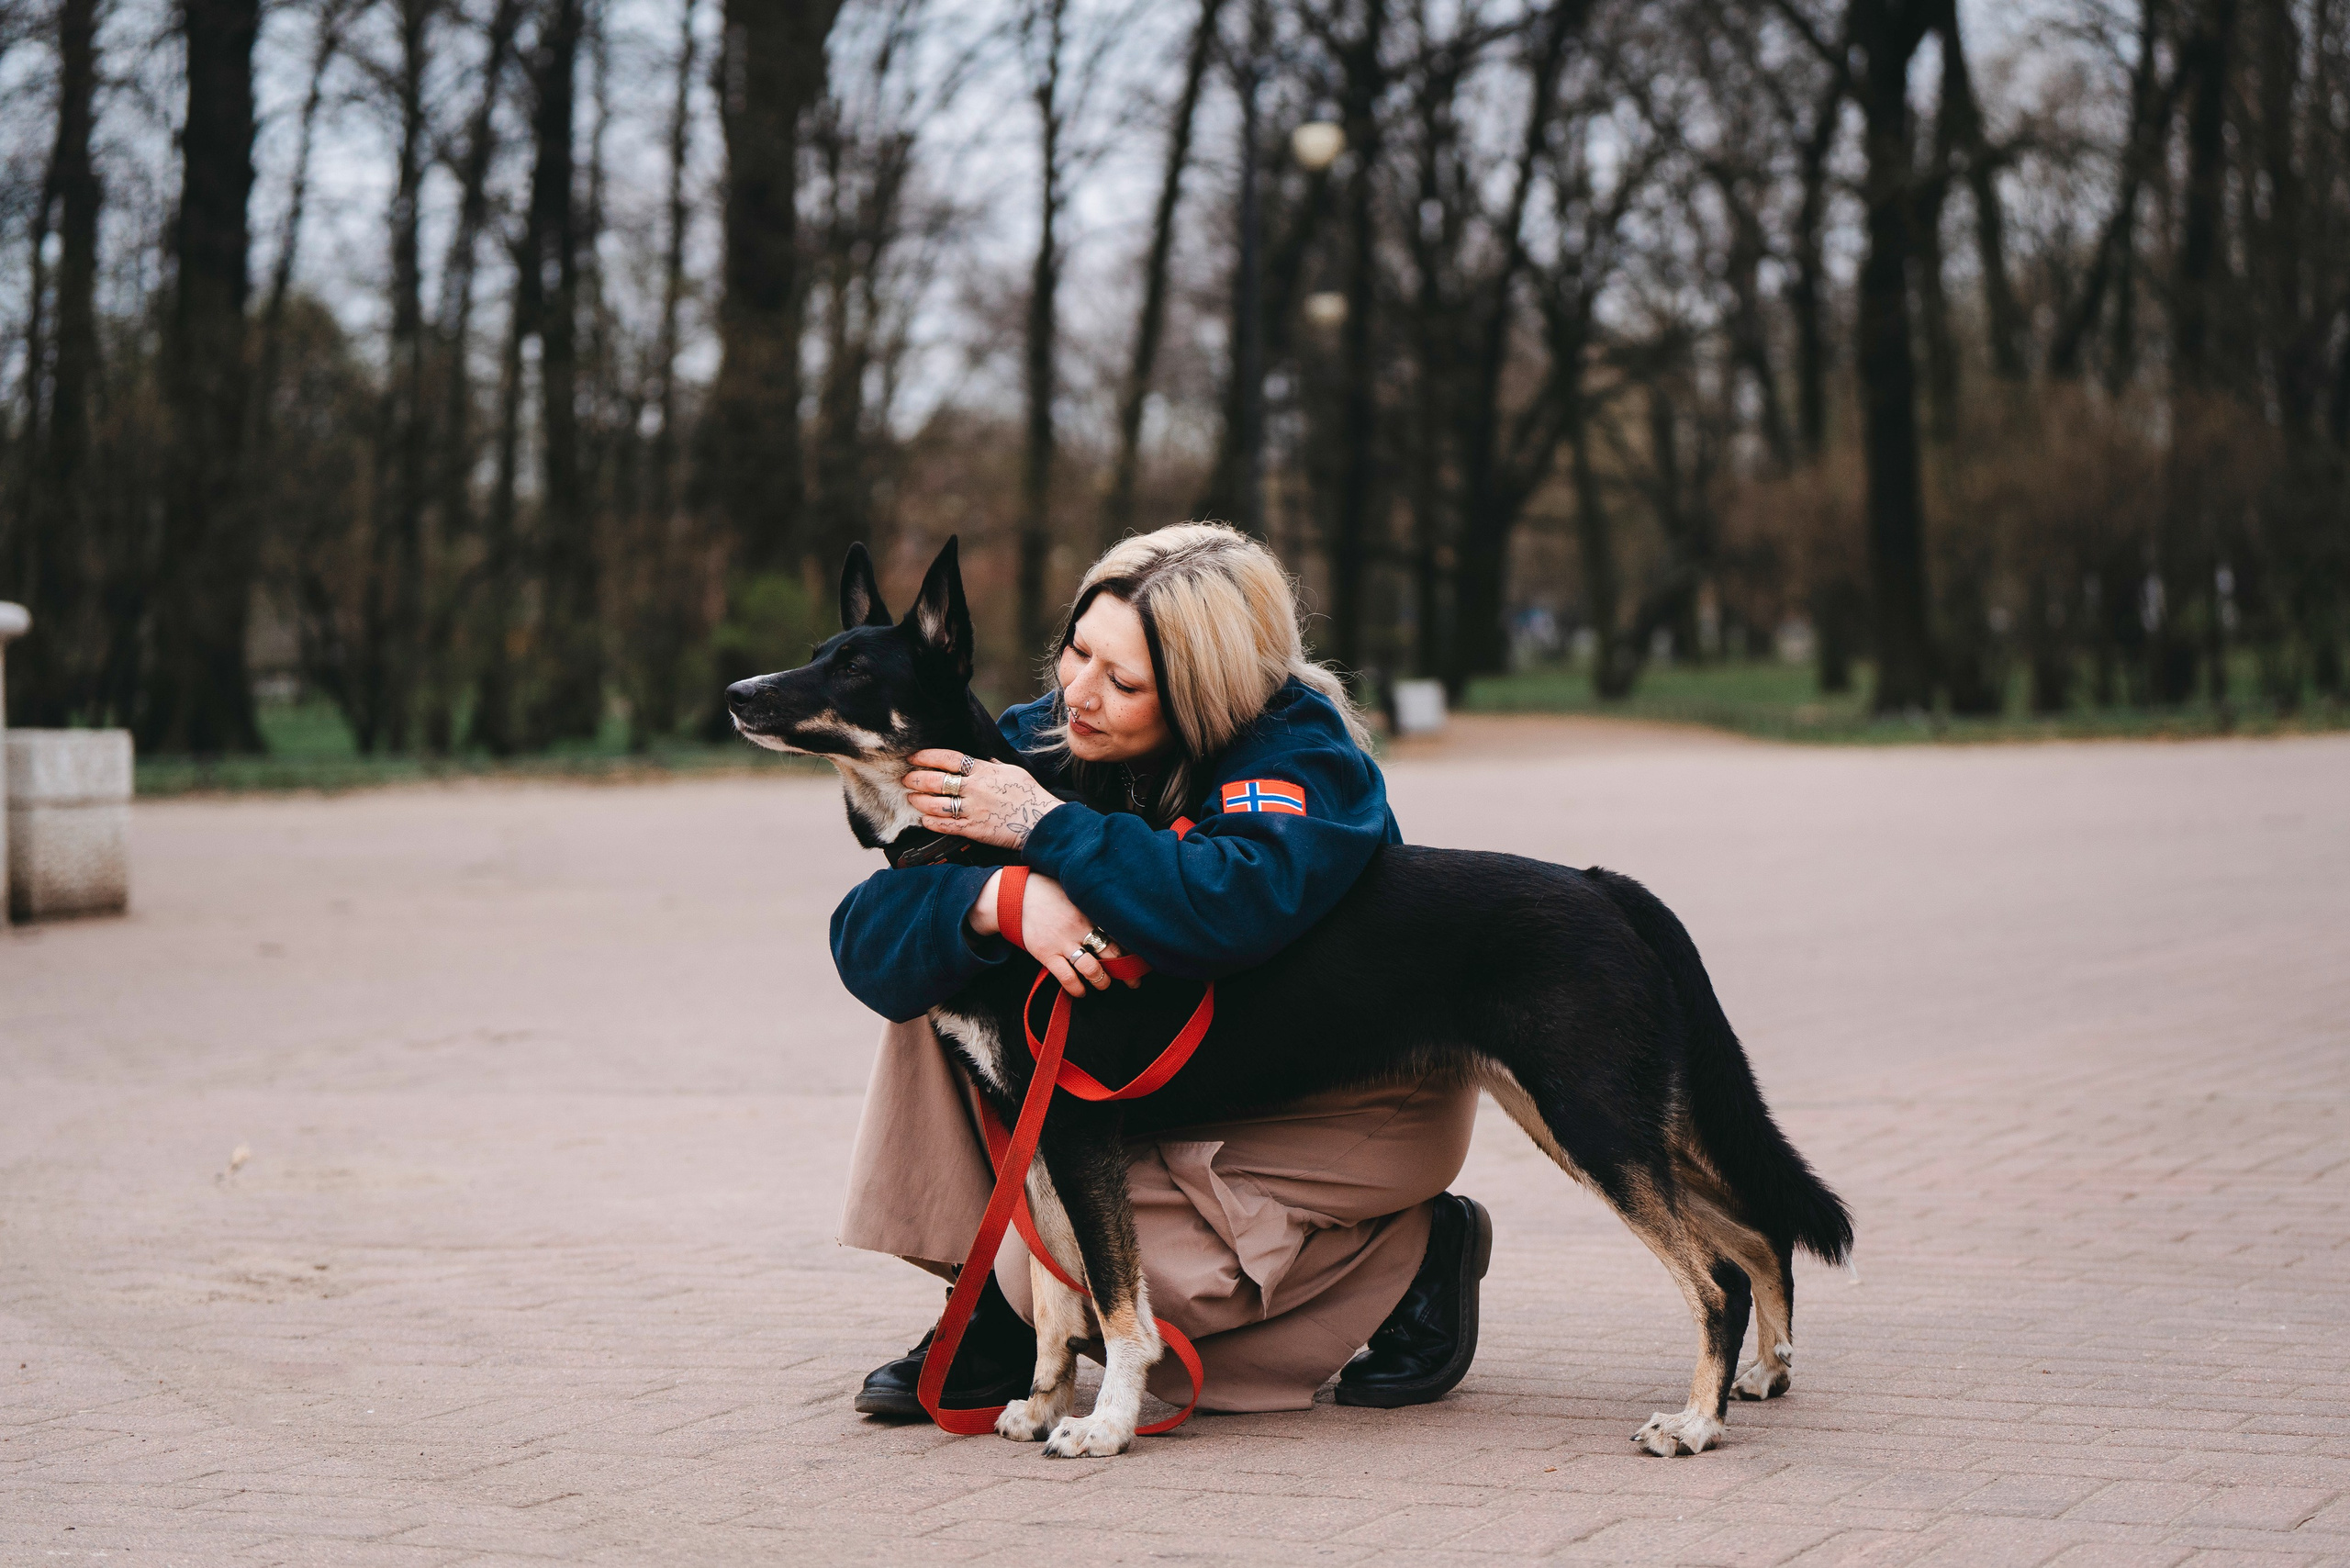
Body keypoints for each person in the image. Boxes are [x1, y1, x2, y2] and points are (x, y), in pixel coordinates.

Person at [831, 522, 1491, 1418]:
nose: (1077, 695)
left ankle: (1412, 1247)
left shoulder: (1300, 753)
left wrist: (1040, 828)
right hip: (1172, 1073)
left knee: (1102, 1306)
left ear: (1207, 691)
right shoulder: (1053, 737)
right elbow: (868, 934)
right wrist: (995, 903)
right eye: (1076, 652)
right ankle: (985, 1295)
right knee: (939, 963)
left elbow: (1226, 907)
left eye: (1125, 681)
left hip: (1349, 1094)